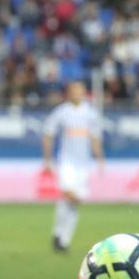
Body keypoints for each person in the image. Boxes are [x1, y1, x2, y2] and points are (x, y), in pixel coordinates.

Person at [42, 81, 104, 253]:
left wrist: (99, 158)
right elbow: (48, 134)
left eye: (81, 91)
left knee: (72, 203)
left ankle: (62, 239)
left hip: (83, 163)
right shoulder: (62, 112)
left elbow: (95, 137)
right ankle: (60, 236)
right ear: (69, 93)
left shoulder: (91, 113)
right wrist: (47, 160)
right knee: (70, 196)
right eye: (74, 91)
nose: (78, 94)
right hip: (67, 162)